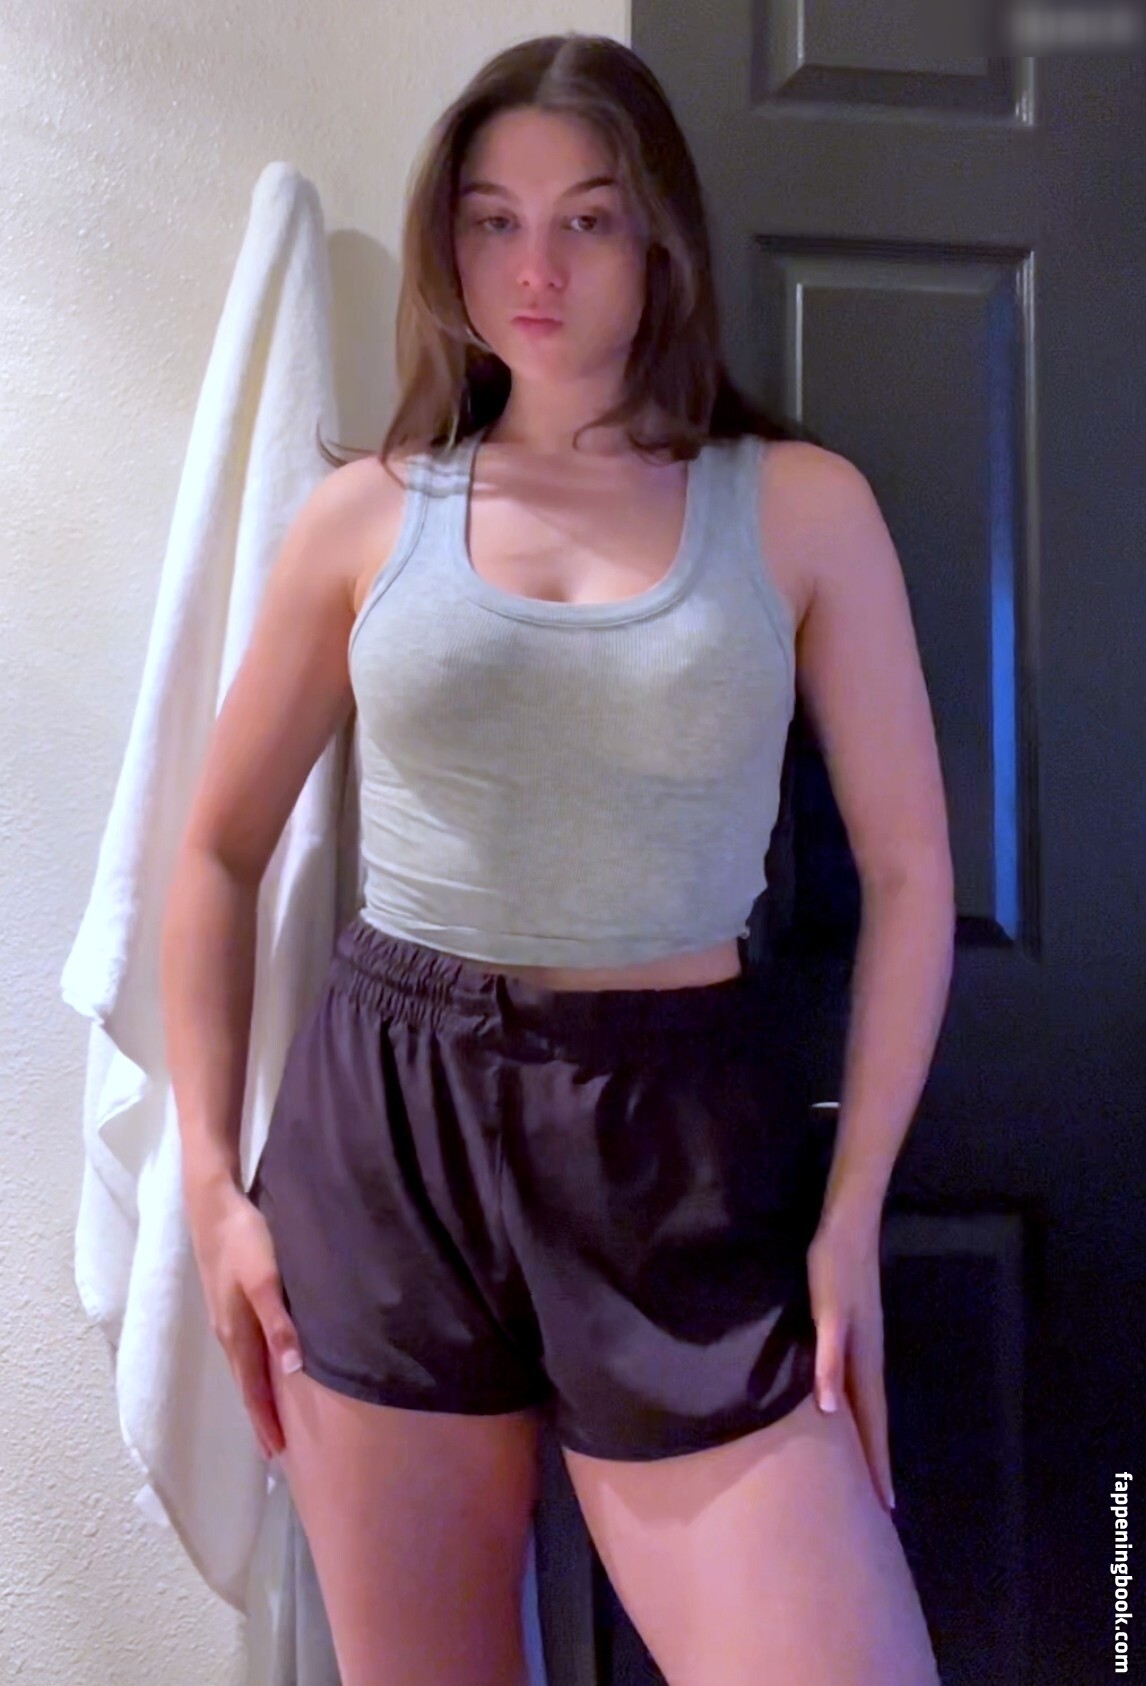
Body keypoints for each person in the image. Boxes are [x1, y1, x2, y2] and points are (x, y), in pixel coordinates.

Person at [161, 31, 954, 1686]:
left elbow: (905, 877)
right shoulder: (366, 515)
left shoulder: (799, 506)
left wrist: (851, 1217)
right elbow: (218, 846)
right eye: (493, 219)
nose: (536, 268)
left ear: (656, 237)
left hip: (676, 1141)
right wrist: (211, 1183)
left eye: (586, 219)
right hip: (389, 1131)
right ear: (447, 240)